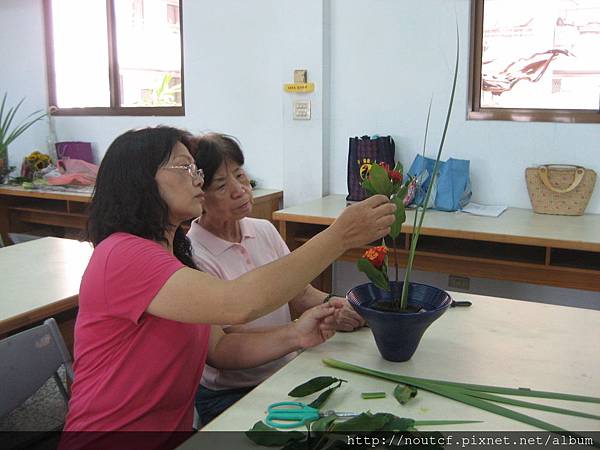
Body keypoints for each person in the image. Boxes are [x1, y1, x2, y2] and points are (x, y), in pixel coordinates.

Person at [60, 127, 395, 444]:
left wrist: (296, 334)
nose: (197, 179)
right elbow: (239, 302)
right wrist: (339, 237)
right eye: (184, 167)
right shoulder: (123, 254)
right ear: (139, 181)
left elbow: (218, 349)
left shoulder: (174, 256)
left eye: (197, 170)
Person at [187, 133, 366, 427]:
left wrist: (334, 305)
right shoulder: (194, 255)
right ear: (199, 196)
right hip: (231, 391)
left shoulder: (263, 230)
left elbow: (298, 293)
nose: (239, 190)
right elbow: (221, 350)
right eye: (221, 185)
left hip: (284, 371)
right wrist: (296, 331)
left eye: (240, 175)